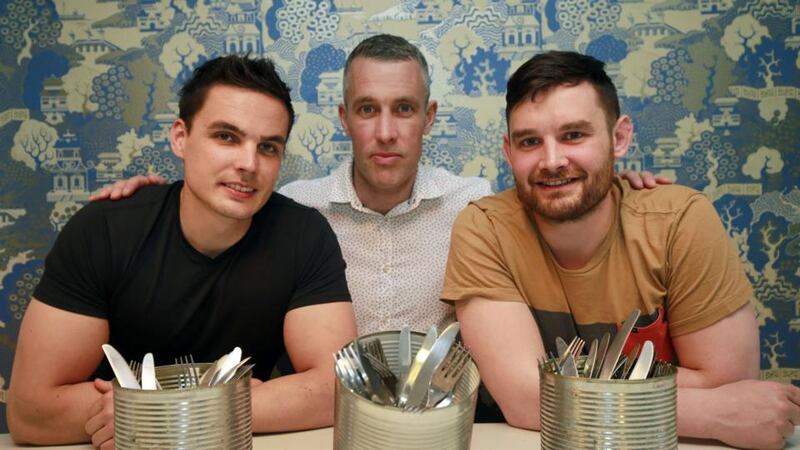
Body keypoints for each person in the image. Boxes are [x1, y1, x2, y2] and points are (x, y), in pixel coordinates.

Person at [92, 35, 666, 336]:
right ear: (344, 118)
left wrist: (621, 187)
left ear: (430, 116)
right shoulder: (291, 209)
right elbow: (216, 198)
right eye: (368, 109)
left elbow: (560, 193)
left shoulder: (478, 203)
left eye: (404, 108)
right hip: (322, 428)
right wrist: (150, 198)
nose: (386, 132)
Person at [441, 50, 800, 449]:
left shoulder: (680, 219)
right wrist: (707, 410)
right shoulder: (485, 228)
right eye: (530, 142)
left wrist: (562, 388)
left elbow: (730, 384)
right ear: (510, 153)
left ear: (619, 138)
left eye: (574, 135)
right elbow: (527, 401)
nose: (552, 160)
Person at [7, 55, 357, 448]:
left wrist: (158, 412)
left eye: (268, 147)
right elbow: (30, 411)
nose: (248, 163)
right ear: (180, 138)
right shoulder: (104, 230)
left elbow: (335, 389)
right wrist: (216, 408)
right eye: (226, 136)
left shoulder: (303, 236)